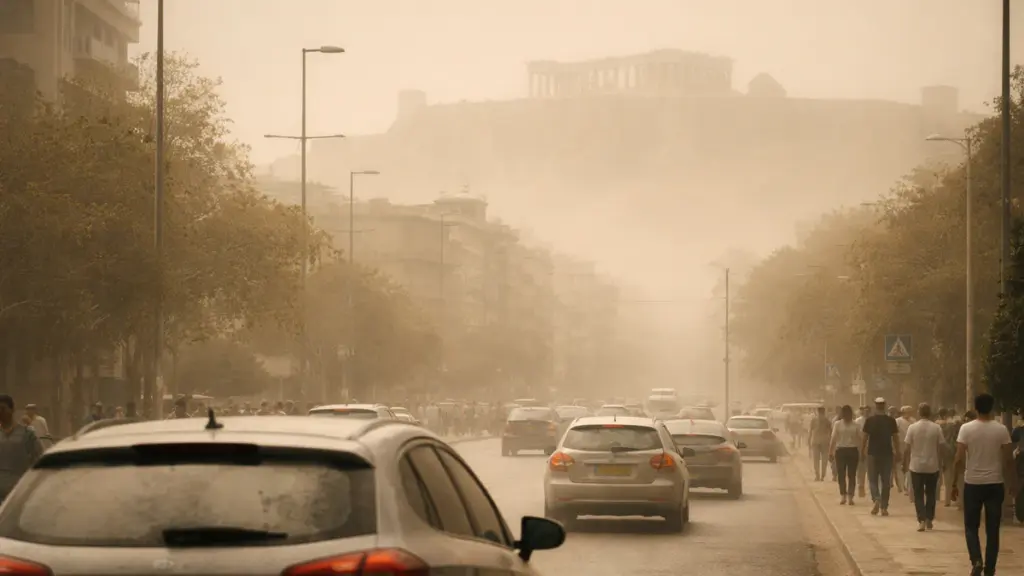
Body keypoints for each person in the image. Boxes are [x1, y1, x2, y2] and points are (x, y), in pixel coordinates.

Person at [954, 393, 1017, 576]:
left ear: (975, 407)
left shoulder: (966, 429)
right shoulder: (1001, 430)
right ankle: (990, 568)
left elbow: (958, 458)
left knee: (971, 527)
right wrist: (1012, 482)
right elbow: (1008, 460)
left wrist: (952, 484)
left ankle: (976, 560)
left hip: (972, 483)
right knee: (993, 529)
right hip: (994, 484)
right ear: (992, 407)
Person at [903, 403, 944, 532]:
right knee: (931, 493)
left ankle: (921, 520)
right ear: (930, 413)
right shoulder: (936, 428)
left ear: (919, 413)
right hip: (932, 466)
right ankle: (929, 519)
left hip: (916, 466)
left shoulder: (912, 428)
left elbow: (907, 448)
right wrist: (941, 462)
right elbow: (941, 447)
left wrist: (904, 463)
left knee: (918, 494)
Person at [0, 395, 44, 503]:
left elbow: (38, 458)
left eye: (2, 409)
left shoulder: (26, 434)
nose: (0, 412)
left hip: (19, 491)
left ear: (12, 409)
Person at [862, 397, 900, 516]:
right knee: (886, 481)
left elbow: (865, 437)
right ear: (884, 406)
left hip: (873, 453)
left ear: (875, 406)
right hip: (887, 453)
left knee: (872, 479)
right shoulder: (891, 421)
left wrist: (862, 450)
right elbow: (895, 438)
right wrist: (898, 451)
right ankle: (884, 507)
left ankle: (876, 499)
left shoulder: (870, 420)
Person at [829, 404, 861, 505]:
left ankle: (850, 496)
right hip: (840, 451)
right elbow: (833, 439)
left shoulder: (856, 425)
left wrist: (863, 450)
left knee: (852, 474)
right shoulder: (837, 424)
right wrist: (831, 451)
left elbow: (860, 439)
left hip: (852, 450)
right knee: (841, 474)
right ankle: (843, 495)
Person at [808, 406, 833, 481]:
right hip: (824, 442)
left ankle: (818, 475)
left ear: (817, 412)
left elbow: (810, 431)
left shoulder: (814, 420)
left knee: (816, 459)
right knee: (824, 459)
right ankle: (822, 475)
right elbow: (831, 432)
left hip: (816, 441)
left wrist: (809, 440)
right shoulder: (827, 421)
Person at [854, 405, 870, 498]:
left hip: (871, 448)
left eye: (868, 411)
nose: (866, 412)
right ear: (862, 412)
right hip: (860, 447)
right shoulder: (858, 421)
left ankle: (870, 488)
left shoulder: (872, 421)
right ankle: (861, 486)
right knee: (861, 469)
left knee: (870, 469)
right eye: (865, 411)